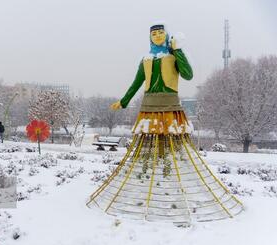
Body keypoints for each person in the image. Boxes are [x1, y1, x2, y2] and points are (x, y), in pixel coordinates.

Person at [86, 23, 243, 222]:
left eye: (161, 33)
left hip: (170, 109)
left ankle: (169, 178)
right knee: (149, 148)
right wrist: (124, 101)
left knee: (172, 146)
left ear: (166, 35)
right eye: (154, 33)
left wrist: (177, 50)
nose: (158, 36)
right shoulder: (146, 59)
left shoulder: (172, 56)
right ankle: (147, 178)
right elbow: (137, 82)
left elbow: (188, 74)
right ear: (150, 37)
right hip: (149, 108)